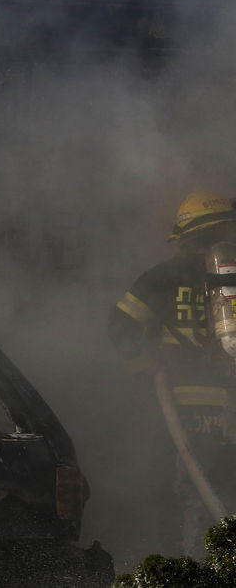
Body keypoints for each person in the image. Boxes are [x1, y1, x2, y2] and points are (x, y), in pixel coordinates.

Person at [109, 190, 236, 554]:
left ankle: (196, 570)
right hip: (227, 406)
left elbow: (121, 325)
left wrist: (143, 369)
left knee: (194, 498)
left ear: (184, 238)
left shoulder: (162, 279)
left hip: (183, 413)